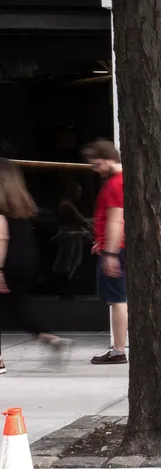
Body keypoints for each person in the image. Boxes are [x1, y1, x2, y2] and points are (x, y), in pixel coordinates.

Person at [0, 158, 71, 374]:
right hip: (27, 259)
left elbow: (1, 236)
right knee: (18, 305)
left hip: (6, 260)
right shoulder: (21, 202)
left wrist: (0, 270)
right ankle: (51, 337)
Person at [84, 140, 127, 365]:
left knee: (117, 299)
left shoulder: (113, 185)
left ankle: (118, 350)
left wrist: (110, 253)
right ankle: (117, 349)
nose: (96, 170)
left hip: (117, 248)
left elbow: (115, 220)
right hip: (116, 245)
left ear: (109, 159)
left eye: (97, 164)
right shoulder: (122, 181)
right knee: (118, 299)